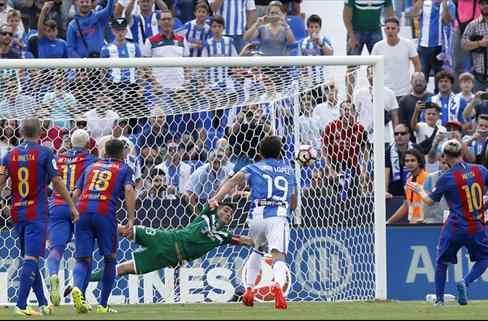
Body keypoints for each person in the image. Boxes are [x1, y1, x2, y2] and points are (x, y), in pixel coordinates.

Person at [63, 200, 253, 294]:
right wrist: (218, 199)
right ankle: (90, 225)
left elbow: (245, 240)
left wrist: (260, 240)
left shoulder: (224, 236)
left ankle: (75, 285)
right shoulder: (206, 214)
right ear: (218, 209)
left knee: (121, 269)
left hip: (167, 258)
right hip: (166, 238)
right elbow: (216, 196)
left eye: (230, 214)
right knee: (125, 230)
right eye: (226, 210)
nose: (227, 214)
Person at [0, 118, 79, 316]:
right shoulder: (45, 152)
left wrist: (2, 205)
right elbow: (57, 181)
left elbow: (0, 181)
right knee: (32, 257)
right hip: (37, 212)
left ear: (20, 132)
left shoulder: (9, 155)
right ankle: (20, 305)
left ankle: (43, 302)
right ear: (40, 133)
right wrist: (71, 205)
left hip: (17, 211)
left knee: (29, 257)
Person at [209, 135, 298, 310]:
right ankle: (278, 286)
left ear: (260, 152)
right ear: (280, 153)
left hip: (257, 216)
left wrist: (216, 198)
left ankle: (249, 290)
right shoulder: (289, 171)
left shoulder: (253, 167)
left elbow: (232, 182)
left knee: (257, 251)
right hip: (278, 215)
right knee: (278, 256)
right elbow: (293, 203)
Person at [410, 139, 488, 306]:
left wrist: (420, 190)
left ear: (444, 157)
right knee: (485, 258)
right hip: (476, 225)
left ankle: (439, 300)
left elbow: (430, 202)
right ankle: (465, 282)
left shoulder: (447, 178)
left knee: (442, 261)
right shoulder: (480, 170)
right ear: (462, 153)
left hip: (455, 226)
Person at [71, 139, 136, 314]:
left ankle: (78, 289)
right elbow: (129, 190)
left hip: (82, 211)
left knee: (82, 258)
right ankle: (103, 305)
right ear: (123, 153)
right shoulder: (124, 168)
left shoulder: (90, 166)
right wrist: (131, 218)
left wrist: (73, 211)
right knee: (110, 258)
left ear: (105, 152)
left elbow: (76, 192)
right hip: (104, 213)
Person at [46, 129, 97, 307]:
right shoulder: (91, 160)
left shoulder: (58, 158)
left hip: (57, 205)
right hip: (80, 208)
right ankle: (78, 292)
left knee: (56, 249)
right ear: (88, 144)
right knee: (83, 256)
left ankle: (53, 275)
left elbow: (48, 181)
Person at [370, 16, 421, 101]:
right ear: (384, 30)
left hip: (404, 91)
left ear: (398, 30)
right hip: (384, 91)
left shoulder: (408, 44)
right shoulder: (378, 46)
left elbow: (417, 64)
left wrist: (414, 83)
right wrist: (373, 85)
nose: (390, 31)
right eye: (388, 28)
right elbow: (370, 67)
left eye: (393, 28)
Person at [386, 148, 429, 224]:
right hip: (413, 223)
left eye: (413, 160)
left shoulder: (428, 178)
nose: (409, 163)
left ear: (419, 162)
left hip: (426, 224)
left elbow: (434, 204)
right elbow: (406, 205)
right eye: (407, 161)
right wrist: (389, 222)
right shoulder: (408, 180)